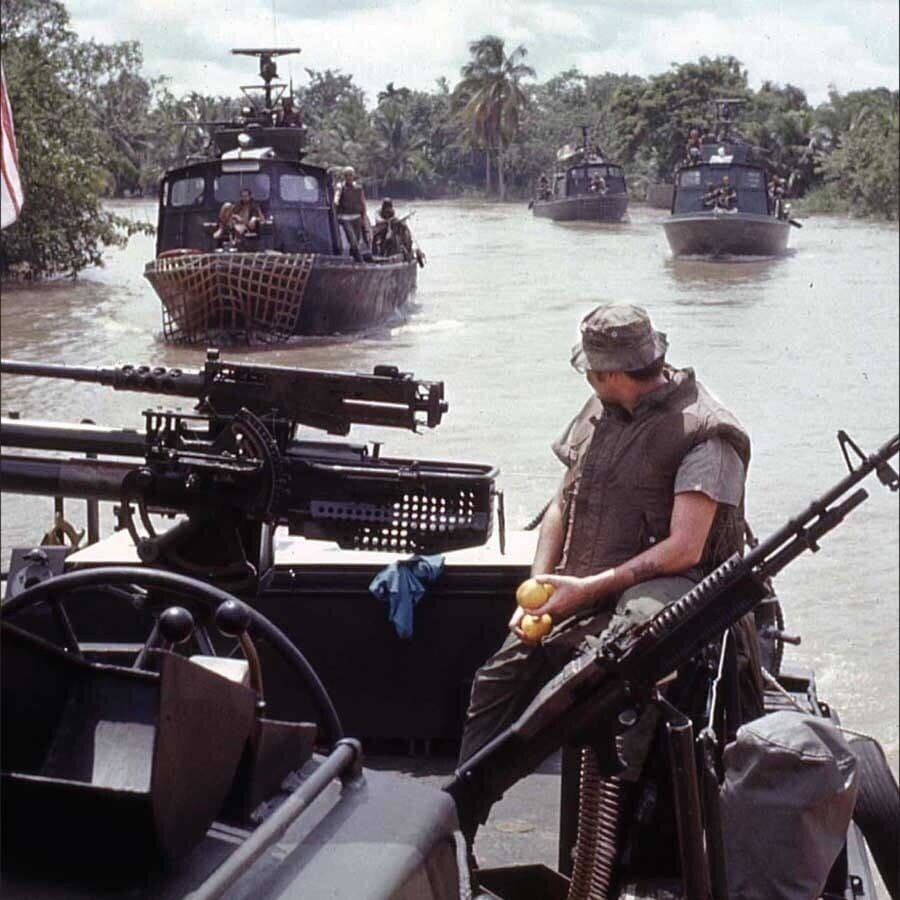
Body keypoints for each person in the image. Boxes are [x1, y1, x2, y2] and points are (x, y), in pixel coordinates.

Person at [457, 304, 762, 847]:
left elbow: (685, 548)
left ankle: (617, 837)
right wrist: (541, 584)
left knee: (622, 664)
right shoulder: (599, 410)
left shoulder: (706, 431)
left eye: (593, 371)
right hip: (584, 583)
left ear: (613, 374)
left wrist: (588, 591)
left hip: (671, 587)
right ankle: (461, 810)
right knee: (497, 679)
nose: (591, 380)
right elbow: (561, 505)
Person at [334, 166, 370, 250]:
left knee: (357, 240)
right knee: (353, 240)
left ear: (353, 176)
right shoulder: (340, 187)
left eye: (350, 175)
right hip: (345, 218)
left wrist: (363, 217)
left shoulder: (358, 188)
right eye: (346, 175)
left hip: (357, 217)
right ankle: (358, 258)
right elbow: (337, 196)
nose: (348, 177)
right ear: (344, 176)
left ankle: (353, 256)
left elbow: (362, 202)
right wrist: (336, 201)